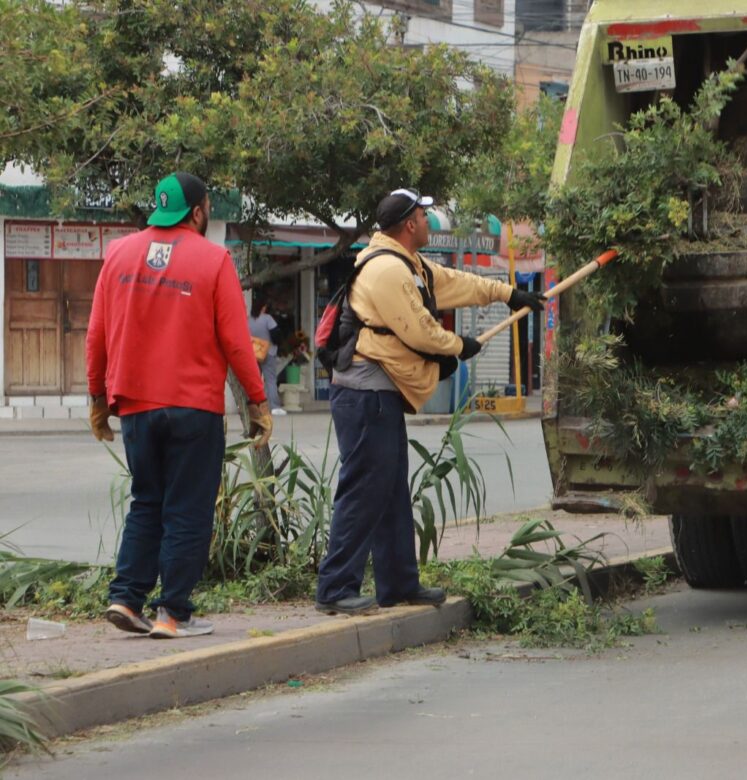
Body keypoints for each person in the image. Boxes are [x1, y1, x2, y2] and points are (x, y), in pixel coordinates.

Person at [315, 187, 546, 615]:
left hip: (380, 394)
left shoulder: (409, 263)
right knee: (364, 489)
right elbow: (419, 330)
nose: (427, 220)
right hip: (364, 395)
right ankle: (334, 588)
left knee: (390, 492)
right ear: (410, 224)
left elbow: (456, 282)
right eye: (423, 215)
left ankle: (399, 584)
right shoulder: (387, 270)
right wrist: (459, 345)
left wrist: (508, 294)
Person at [86, 172, 273, 639]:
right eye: (207, 207)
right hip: (193, 407)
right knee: (188, 509)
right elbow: (236, 341)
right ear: (197, 211)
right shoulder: (213, 259)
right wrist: (257, 401)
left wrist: (97, 398)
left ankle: (126, 599)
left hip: (135, 404)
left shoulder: (118, 254)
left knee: (147, 500)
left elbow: (96, 334)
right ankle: (172, 613)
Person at [248, 295, 287, 415]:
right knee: (270, 380)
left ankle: (254, 406)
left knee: (254, 380)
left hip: (253, 353)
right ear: (262, 307)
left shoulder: (248, 320)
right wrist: (279, 344)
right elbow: (276, 335)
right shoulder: (268, 319)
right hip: (268, 352)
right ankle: (274, 406)